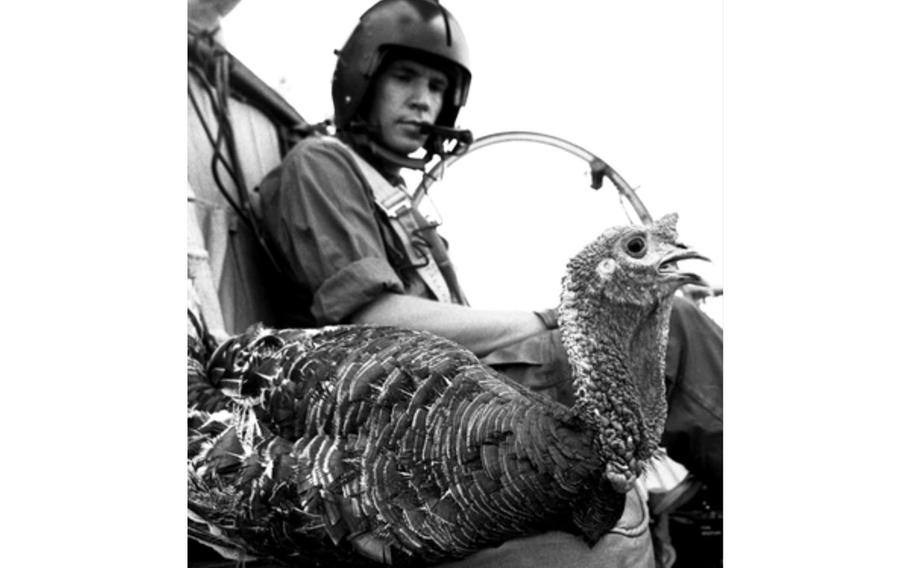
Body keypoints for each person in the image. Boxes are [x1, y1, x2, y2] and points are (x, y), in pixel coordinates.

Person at [257, 1, 722, 566]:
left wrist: (648, 301)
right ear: (362, 81)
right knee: (683, 333)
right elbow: (369, 320)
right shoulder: (321, 166)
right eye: (404, 78)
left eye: (436, 86)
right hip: (409, 403)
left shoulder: (392, 194)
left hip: (454, 384)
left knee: (666, 313)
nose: (423, 99)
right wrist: (553, 319)